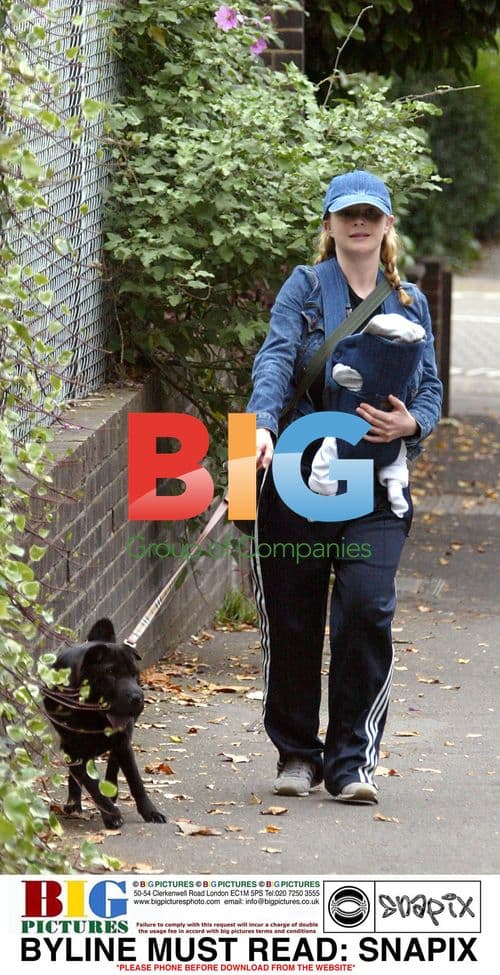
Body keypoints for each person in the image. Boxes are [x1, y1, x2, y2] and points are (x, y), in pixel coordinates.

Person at [246, 169, 443, 804]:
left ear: (387, 226)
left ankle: (352, 758)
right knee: (295, 616)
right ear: (329, 225)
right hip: (301, 468)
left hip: (377, 479)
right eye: (346, 213)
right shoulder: (305, 288)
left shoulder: (410, 301)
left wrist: (412, 421)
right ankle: (298, 755)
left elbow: (433, 390)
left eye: (371, 214)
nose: (358, 223)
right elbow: (276, 358)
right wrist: (261, 426)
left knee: (366, 606)